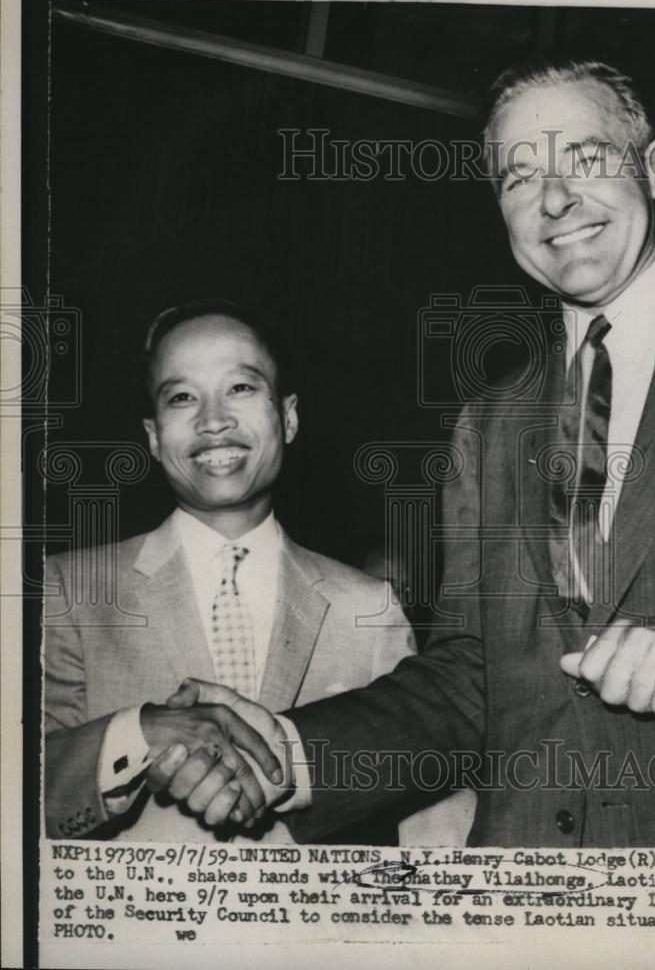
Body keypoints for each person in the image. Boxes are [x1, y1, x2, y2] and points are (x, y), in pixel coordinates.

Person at [150, 60, 655, 847]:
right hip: (528, 892)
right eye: (517, 178)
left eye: (585, 158)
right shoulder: (490, 421)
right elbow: (471, 676)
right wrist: (283, 752)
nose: (553, 199)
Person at [43, 300, 420, 842]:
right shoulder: (68, 591)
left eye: (240, 388)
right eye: (181, 397)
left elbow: (422, 800)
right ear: (152, 436)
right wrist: (137, 732)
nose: (213, 419)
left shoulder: (370, 608)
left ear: (287, 417)